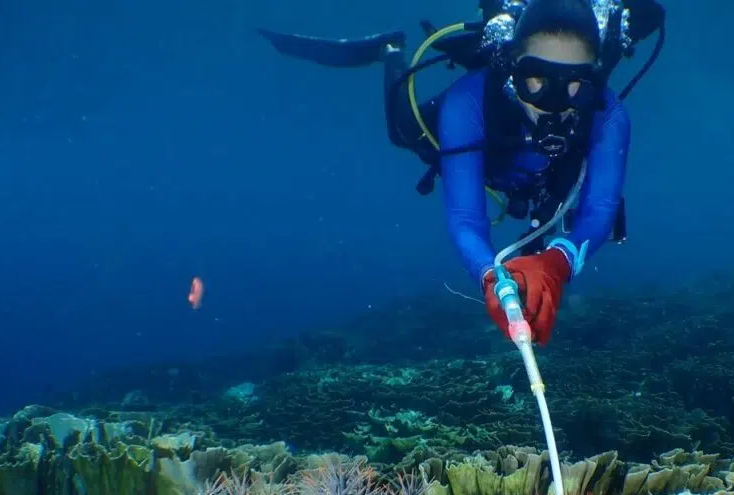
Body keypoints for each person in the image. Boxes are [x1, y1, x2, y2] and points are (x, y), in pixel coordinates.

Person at [259, 0, 665, 344]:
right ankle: (391, 50)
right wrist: (491, 277)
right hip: (487, 157)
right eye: (536, 82)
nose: (555, 103)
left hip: (543, 180)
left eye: (576, 85)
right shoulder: (468, 101)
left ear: (595, 79)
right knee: (406, 131)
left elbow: (600, 208)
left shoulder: (607, 115)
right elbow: (466, 218)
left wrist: (555, 263)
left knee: (550, 211)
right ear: (512, 71)